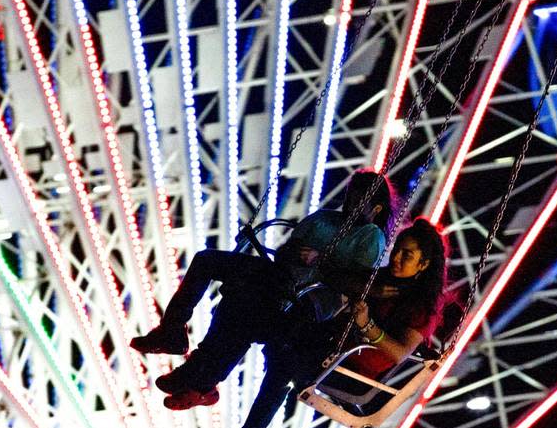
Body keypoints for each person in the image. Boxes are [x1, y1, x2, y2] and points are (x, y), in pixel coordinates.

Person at [130, 170, 398, 411]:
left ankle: (199, 377)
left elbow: (358, 284)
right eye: (350, 196)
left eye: (360, 200)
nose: (351, 204)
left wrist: (319, 261)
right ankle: (173, 330)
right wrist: (295, 254)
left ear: (375, 208)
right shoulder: (323, 219)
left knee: (243, 311)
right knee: (207, 260)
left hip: (312, 300)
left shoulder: (371, 236)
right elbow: (284, 252)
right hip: (280, 277)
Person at [199, 217, 450, 428]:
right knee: (263, 317)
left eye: (407, 255)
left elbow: (399, 353)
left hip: (352, 373)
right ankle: (206, 380)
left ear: (424, 264)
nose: (396, 258)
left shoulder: (421, 308)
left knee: (285, 364)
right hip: (330, 346)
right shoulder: (380, 280)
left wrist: (366, 324)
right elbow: (339, 279)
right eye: (397, 250)